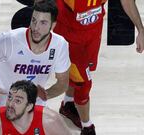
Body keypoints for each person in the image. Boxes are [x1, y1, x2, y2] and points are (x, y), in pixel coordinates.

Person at [52, 0, 144, 134]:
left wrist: (141, 29)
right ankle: (87, 127)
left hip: (93, 31)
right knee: (84, 83)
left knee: (80, 73)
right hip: (68, 34)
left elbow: (127, 1)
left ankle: (68, 104)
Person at [0, 0, 71, 119]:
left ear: (53, 25)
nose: (36, 28)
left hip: (32, 108)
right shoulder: (9, 39)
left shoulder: (60, 45)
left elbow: (63, 83)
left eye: (43, 23)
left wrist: (45, 94)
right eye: (34, 21)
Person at [0, 80, 72, 135]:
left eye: (18, 101)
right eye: (10, 97)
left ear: (29, 106)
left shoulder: (50, 120)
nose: (10, 104)